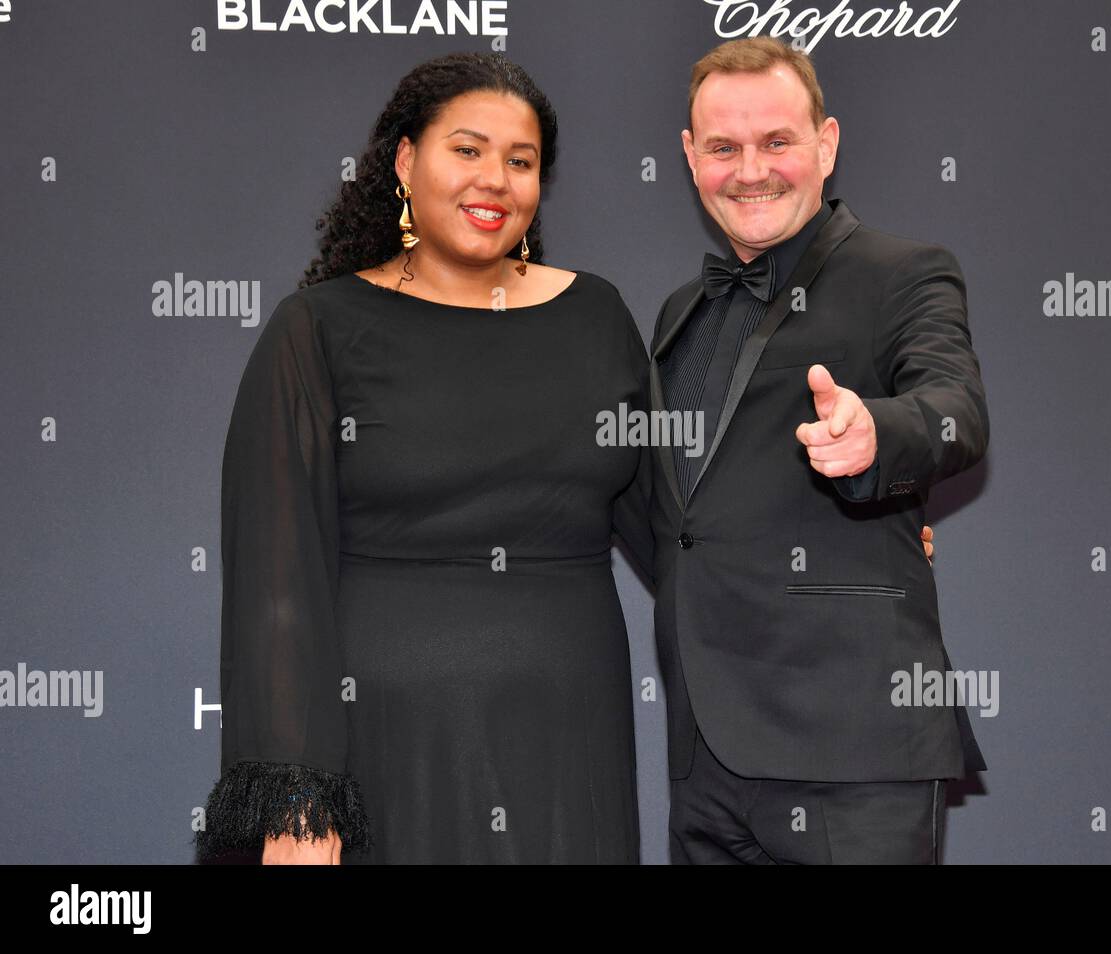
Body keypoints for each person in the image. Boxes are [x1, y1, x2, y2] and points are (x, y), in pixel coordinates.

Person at [193, 52, 656, 864]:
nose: (495, 180)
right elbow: (276, 583)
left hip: (569, 748)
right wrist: (299, 805)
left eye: (521, 161)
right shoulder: (317, 332)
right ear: (406, 162)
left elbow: (684, 524)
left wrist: (859, 523)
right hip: (385, 753)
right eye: (467, 150)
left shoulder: (598, 317)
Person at [649, 37, 990, 864]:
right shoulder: (677, 313)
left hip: (853, 749)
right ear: (692, 159)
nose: (750, 169)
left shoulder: (905, 273)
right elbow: (680, 512)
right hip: (706, 760)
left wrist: (877, 435)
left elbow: (956, 410)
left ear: (826, 144)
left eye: (777, 142)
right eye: (724, 147)